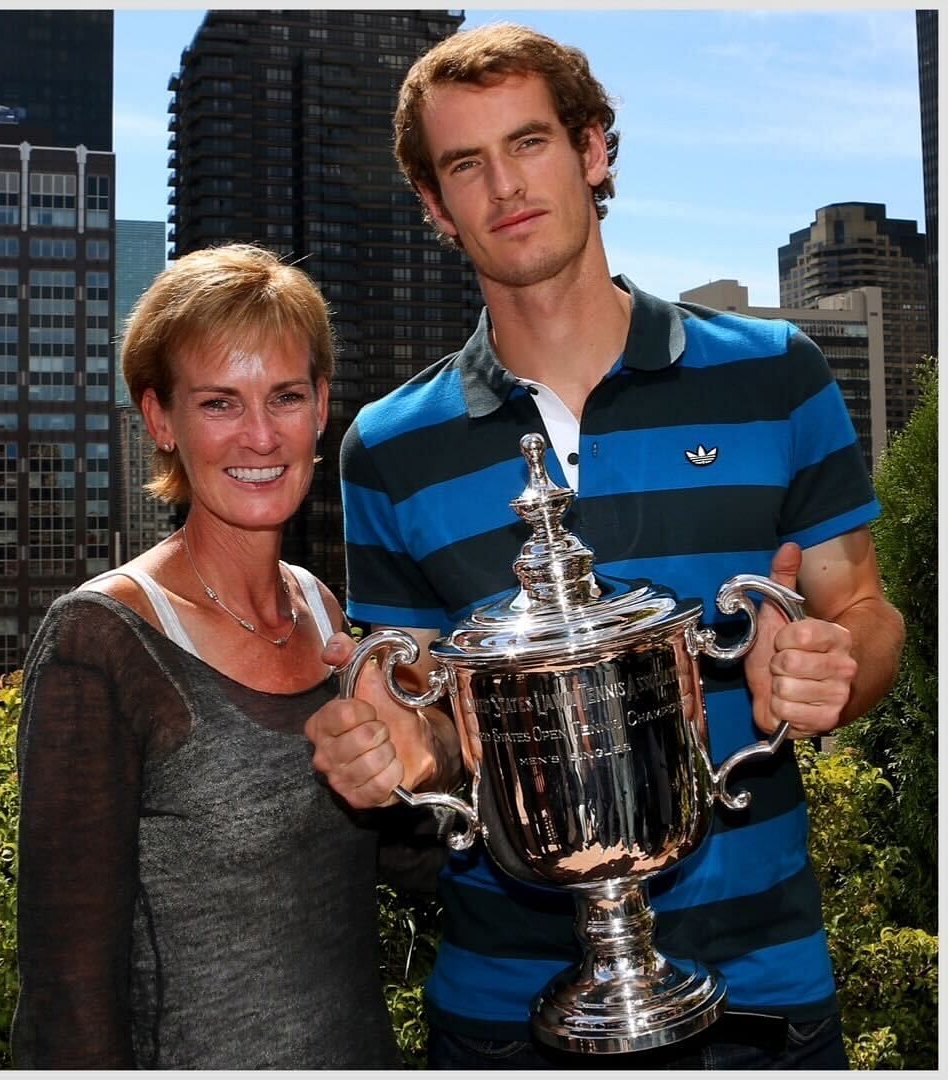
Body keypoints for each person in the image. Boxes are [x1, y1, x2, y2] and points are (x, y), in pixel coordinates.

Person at [313, 23, 904, 1068]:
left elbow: (863, 607)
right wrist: (402, 751)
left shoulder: (777, 375)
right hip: (501, 1009)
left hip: (760, 993)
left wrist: (831, 669)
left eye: (530, 142)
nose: (504, 186)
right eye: (466, 165)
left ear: (593, 151)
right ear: (434, 208)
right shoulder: (387, 449)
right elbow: (419, 710)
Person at [11, 243, 440, 1068]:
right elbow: (67, 993)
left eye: (285, 396)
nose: (259, 434)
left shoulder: (324, 612)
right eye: (219, 403)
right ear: (160, 419)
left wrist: (448, 754)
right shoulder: (99, 640)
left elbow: (401, 860)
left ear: (320, 407)